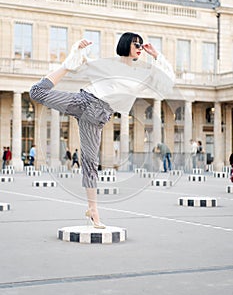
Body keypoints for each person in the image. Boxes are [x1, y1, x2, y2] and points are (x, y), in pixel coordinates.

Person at [29, 32, 174, 228]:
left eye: (141, 45)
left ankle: (93, 210)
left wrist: (157, 55)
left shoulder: (142, 73)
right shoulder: (108, 64)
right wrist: (75, 55)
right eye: (135, 44)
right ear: (125, 45)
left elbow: (166, 83)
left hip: (97, 118)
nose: (140, 47)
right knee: (36, 92)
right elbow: (82, 66)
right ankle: (62, 66)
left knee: (90, 163)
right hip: (84, 102)